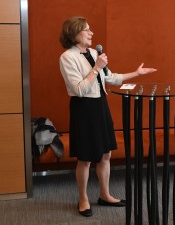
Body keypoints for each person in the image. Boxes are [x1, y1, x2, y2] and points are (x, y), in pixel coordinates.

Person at [59, 16, 157, 217]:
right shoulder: (67, 57)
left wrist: (136, 73)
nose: (91, 33)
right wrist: (96, 68)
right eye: (87, 30)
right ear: (75, 33)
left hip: (100, 106)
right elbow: (79, 89)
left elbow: (110, 78)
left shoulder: (95, 53)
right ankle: (83, 198)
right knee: (85, 158)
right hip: (83, 109)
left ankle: (105, 194)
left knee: (106, 154)